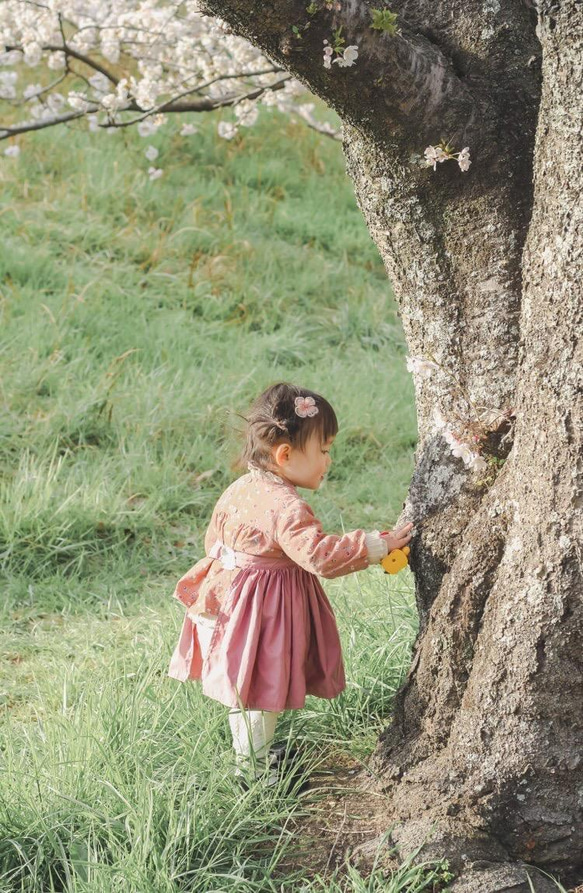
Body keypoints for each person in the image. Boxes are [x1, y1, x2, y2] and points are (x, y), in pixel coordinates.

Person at [167, 382, 414, 786]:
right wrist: (374, 546)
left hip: (227, 601)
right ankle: (253, 773)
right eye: (324, 450)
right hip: (260, 615)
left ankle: (255, 756)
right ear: (285, 455)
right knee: (259, 693)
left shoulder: (239, 488)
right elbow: (318, 555)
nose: (329, 460)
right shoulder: (287, 507)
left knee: (248, 691)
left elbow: (213, 540)